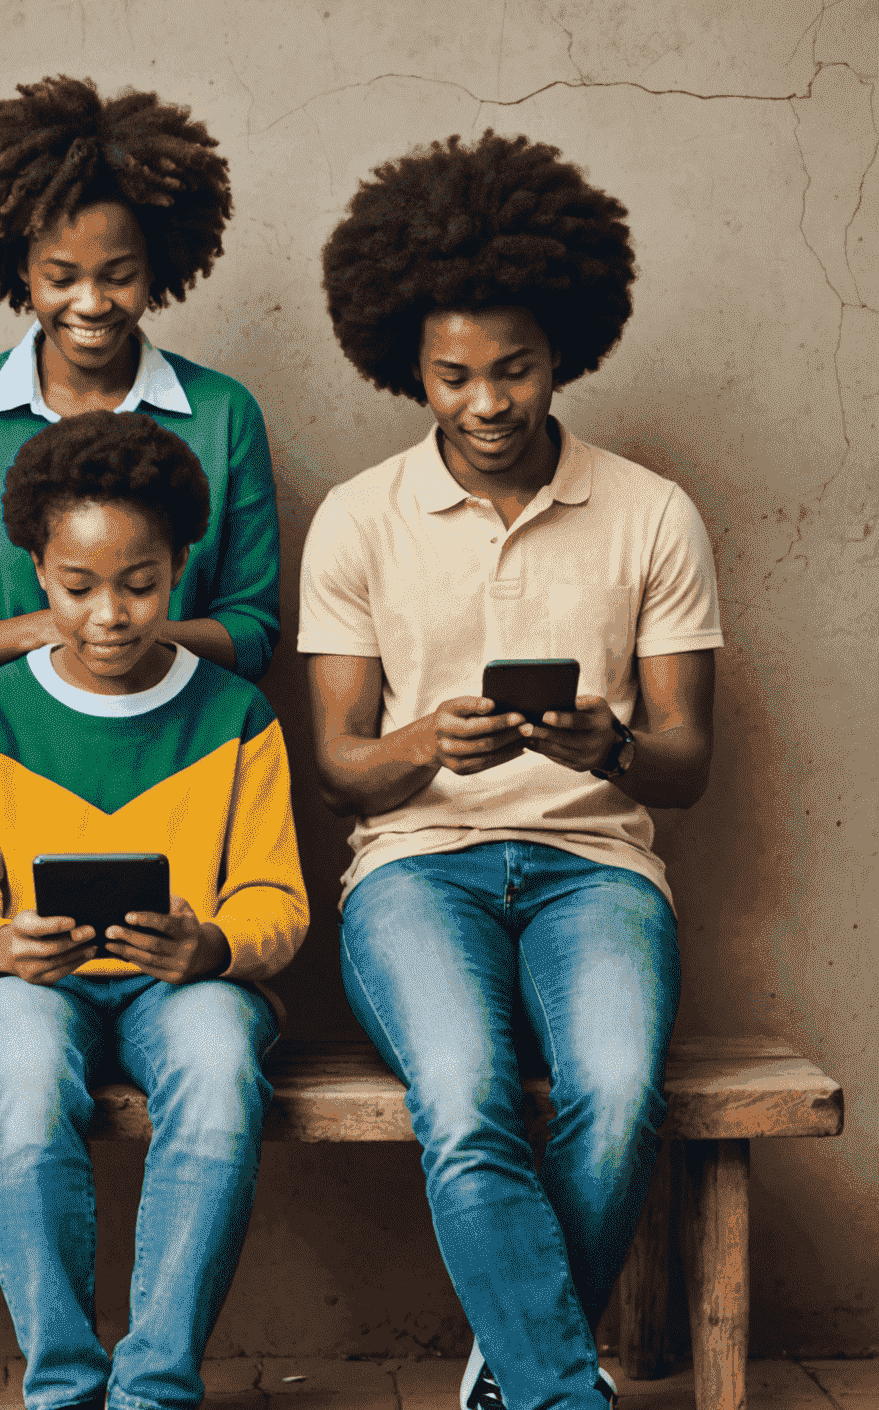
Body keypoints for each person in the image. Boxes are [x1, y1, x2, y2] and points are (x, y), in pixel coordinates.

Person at [300, 132, 722, 1410]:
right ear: (408, 371)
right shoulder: (360, 520)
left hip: (596, 864)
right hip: (415, 870)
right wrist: (427, 744)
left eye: (517, 370)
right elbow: (339, 769)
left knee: (614, 1089)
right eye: (453, 376)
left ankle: (516, 1368)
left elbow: (690, 763)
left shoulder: (652, 513)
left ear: (566, 354)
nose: (488, 403)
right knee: (469, 1096)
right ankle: (556, 1388)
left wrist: (615, 748)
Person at [0, 411, 309, 1410]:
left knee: (221, 1072)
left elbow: (276, 896)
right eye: (78, 588)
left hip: (190, 987)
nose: (109, 616)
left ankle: (156, 1388)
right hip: (27, 988)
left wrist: (211, 942)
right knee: (25, 1071)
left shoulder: (235, 716)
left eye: (139, 585)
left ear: (178, 568)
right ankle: (63, 1386)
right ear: (37, 575)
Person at [0, 74, 281, 731]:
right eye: (61, 278)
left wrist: (136, 637)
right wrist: (49, 630)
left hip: (180, 747)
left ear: (158, 266)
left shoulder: (222, 415)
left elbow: (253, 631)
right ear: (19, 269)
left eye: (118, 276)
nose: (91, 304)